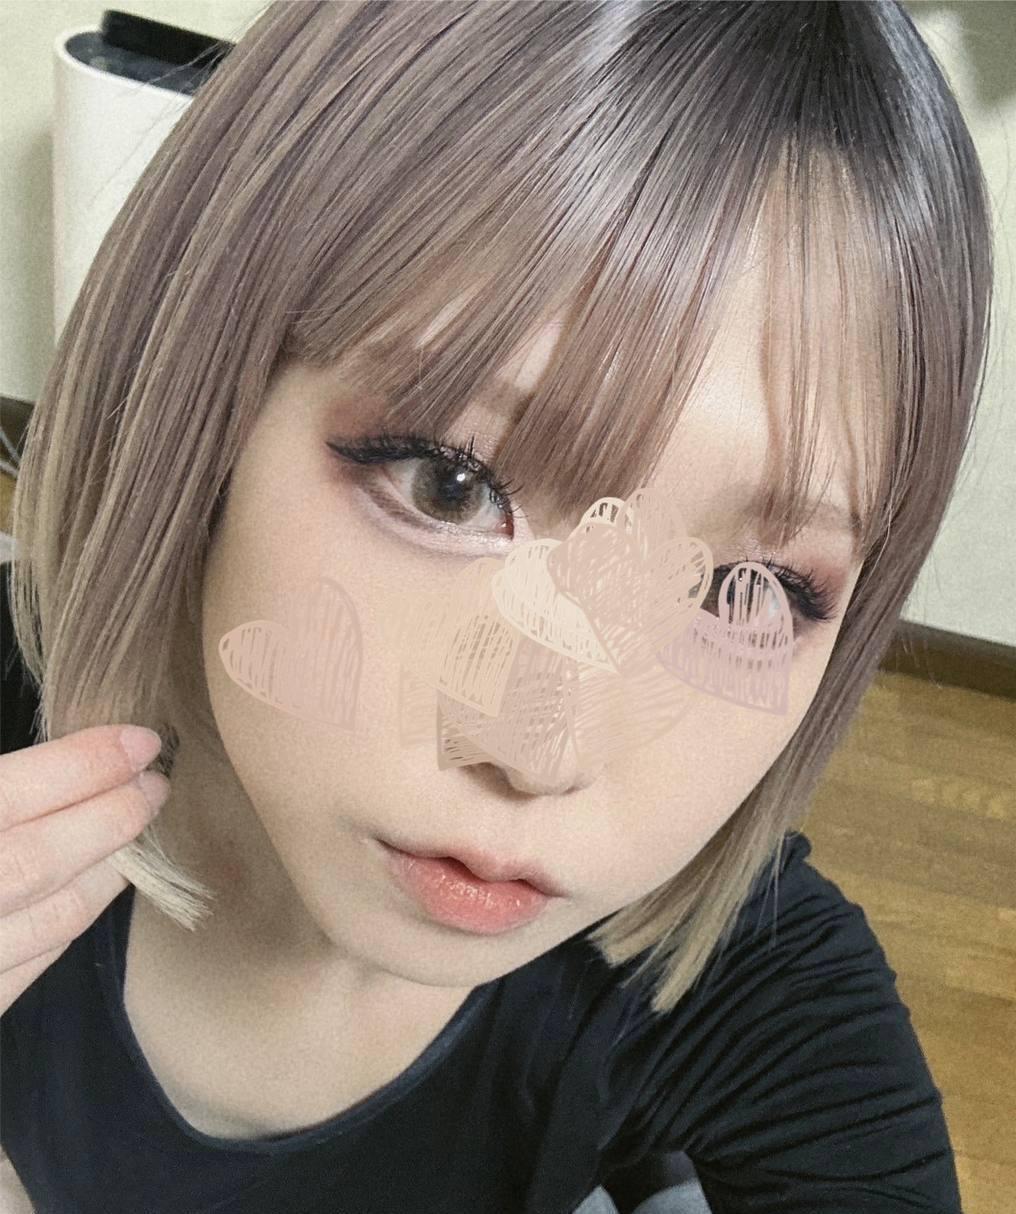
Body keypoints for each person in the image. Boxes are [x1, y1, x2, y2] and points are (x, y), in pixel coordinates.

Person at [0, 2, 990, 1211]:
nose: (539, 750)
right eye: (447, 483)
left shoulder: (751, 990)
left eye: (752, 589)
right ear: (208, 402)